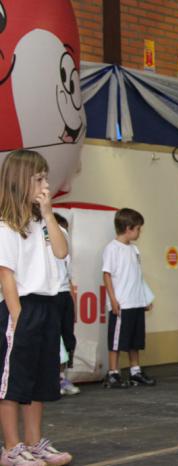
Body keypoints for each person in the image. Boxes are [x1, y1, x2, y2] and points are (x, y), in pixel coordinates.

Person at [0, 150, 73, 465]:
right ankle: (12, 447)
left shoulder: (41, 221)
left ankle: (33, 441)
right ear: (21, 181)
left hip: (48, 303)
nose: (46, 184)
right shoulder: (6, 226)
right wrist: (18, 318)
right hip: (21, 306)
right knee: (14, 381)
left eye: (46, 178)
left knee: (40, 378)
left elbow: (61, 251)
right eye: (39, 179)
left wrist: (48, 213)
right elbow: (6, 275)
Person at [102, 208, 155, 389]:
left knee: (135, 340)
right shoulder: (112, 249)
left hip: (136, 302)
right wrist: (113, 300)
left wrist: (145, 297)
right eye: (138, 229)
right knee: (116, 341)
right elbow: (107, 275)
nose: (139, 232)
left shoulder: (134, 250)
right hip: (122, 303)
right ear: (128, 228)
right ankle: (113, 373)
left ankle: (135, 371)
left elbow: (137, 276)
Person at [53, 213, 80, 396]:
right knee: (53, 340)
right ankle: (52, 379)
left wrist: (73, 304)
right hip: (51, 295)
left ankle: (62, 377)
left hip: (64, 296)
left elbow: (69, 279)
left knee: (67, 338)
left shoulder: (66, 254)